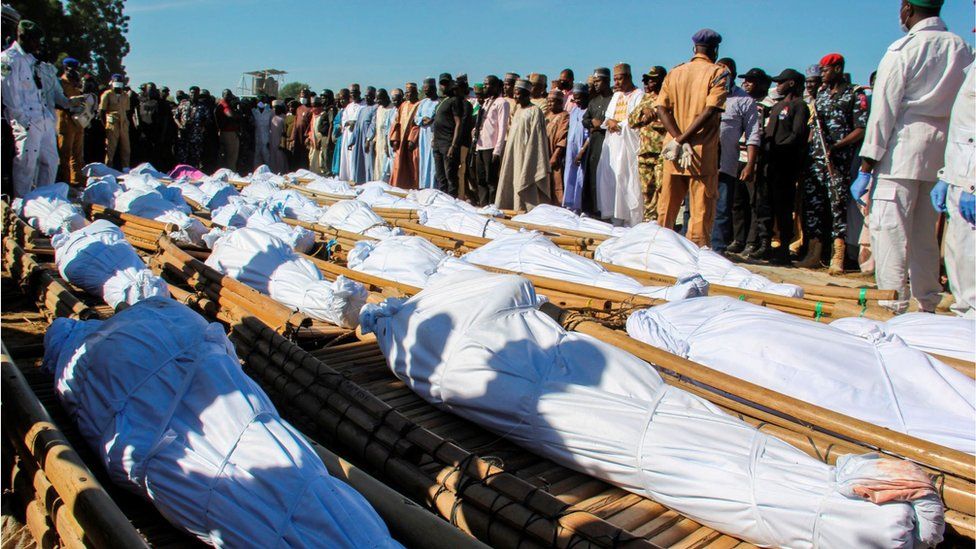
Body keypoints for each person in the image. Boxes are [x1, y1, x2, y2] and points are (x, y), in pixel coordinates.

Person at [852, 0, 973, 313]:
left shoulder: (903, 49)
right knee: (924, 236)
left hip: (901, 153)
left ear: (906, 10)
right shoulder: (962, 48)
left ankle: (892, 305)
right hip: (945, 155)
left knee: (889, 231)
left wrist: (868, 163)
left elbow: (883, 111)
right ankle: (927, 303)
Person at [656, 29, 728, 247]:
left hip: (674, 152)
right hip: (700, 153)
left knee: (666, 209)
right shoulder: (718, 73)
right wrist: (684, 139)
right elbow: (710, 110)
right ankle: (696, 259)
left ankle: (660, 251)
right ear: (715, 50)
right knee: (700, 213)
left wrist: (677, 139)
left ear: (693, 48)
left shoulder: (675, 73)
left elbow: (661, 108)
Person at [796, 53, 868, 272]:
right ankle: (814, 253)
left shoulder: (855, 94)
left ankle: (838, 256)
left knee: (837, 206)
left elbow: (861, 128)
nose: (822, 74)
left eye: (825, 70)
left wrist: (838, 146)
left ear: (837, 68)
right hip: (816, 158)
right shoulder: (821, 94)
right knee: (813, 206)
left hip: (839, 160)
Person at [931, 64, 974, 317]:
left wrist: (973, 184)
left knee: (971, 265)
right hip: (960, 175)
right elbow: (962, 130)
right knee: (958, 258)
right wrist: (947, 176)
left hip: (970, 179)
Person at [756, 69, 810, 264]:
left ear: (792, 83)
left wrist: (779, 148)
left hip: (786, 164)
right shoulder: (777, 106)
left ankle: (784, 248)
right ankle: (764, 245)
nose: (778, 85)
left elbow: (797, 134)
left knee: (783, 208)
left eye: (782, 82)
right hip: (769, 163)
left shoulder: (800, 106)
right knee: (765, 205)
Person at [1, 20, 57, 196]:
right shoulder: (9, 58)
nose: (38, 45)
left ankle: (44, 200)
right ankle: (22, 203)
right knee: (26, 164)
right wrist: (24, 122)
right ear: (22, 37)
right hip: (27, 120)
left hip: (43, 117)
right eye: (34, 40)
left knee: (51, 161)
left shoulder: (32, 61)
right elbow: (10, 95)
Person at [712, 58, 760, 253]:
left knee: (722, 209)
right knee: (695, 208)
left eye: (725, 73)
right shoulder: (705, 94)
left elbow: (753, 135)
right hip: (701, 163)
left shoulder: (745, 100)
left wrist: (750, 164)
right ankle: (694, 247)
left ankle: (716, 250)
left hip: (727, 164)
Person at [596, 63, 644, 226]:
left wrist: (619, 124)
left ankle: (630, 219)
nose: (616, 83)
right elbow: (608, 116)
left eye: (619, 79)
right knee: (611, 177)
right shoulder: (616, 96)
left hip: (628, 144)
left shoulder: (639, 94)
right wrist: (610, 121)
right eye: (615, 79)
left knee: (627, 177)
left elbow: (636, 119)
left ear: (629, 77)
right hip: (613, 142)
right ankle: (614, 216)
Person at [495, 79, 549, 211]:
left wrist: (529, 160)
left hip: (525, 157)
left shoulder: (535, 111)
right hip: (513, 155)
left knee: (523, 181)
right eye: (514, 93)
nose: (515, 96)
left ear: (526, 94)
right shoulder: (518, 110)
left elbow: (537, 140)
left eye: (518, 93)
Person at [628, 66, 667, 222]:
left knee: (661, 187)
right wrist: (643, 111)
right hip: (645, 151)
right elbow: (631, 121)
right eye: (647, 79)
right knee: (646, 189)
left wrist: (656, 117)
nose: (649, 83)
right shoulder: (646, 99)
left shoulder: (669, 98)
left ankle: (662, 221)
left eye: (653, 79)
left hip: (662, 152)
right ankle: (649, 220)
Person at [474, 75, 510, 206]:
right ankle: (483, 206)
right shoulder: (486, 102)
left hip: (491, 147)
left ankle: (492, 206)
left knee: (491, 181)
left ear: (495, 87)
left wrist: (498, 150)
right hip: (480, 145)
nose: (484, 87)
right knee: (481, 179)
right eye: (484, 84)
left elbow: (502, 127)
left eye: (487, 84)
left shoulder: (502, 102)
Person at [581, 68, 613, 216]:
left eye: (598, 81)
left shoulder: (614, 99)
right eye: (594, 82)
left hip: (608, 143)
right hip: (594, 143)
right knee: (592, 175)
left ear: (607, 81)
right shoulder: (593, 101)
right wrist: (592, 123)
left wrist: (602, 124)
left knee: (605, 177)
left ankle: (605, 211)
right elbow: (585, 119)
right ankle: (591, 209)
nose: (595, 85)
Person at [430, 74, 463, 195]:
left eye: (445, 83)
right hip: (438, 143)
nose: (443, 86)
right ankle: (443, 205)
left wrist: (453, 145)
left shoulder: (455, 101)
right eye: (441, 84)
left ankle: (452, 204)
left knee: (450, 177)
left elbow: (458, 123)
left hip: (447, 143)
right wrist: (434, 139)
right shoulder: (441, 102)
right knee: (440, 177)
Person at [57, 58, 86, 185]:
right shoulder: (60, 83)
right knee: (65, 154)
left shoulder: (77, 83)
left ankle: (77, 179)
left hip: (78, 123)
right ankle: (65, 181)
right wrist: (70, 105)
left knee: (77, 154)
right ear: (65, 68)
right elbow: (57, 102)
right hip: (66, 122)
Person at [563, 82, 590, 212]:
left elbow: (590, 134)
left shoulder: (589, 111)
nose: (577, 101)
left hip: (583, 147)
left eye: (579, 98)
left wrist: (582, 151)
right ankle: (569, 204)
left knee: (581, 176)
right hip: (571, 147)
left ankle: (579, 206)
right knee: (569, 174)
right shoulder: (574, 110)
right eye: (575, 98)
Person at [389, 83, 420, 188]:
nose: (407, 95)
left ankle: (413, 186)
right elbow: (396, 122)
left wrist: (412, 139)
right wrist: (395, 139)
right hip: (401, 140)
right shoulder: (403, 105)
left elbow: (418, 124)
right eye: (406, 92)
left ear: (416, 93)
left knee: (413, 164)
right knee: (399, 164)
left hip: (413, 142)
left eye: (409, 92)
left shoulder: (419, 105)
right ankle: (399, 186)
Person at [100, 74, 131, 169]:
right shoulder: (107, 94)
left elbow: (127, 110)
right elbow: (102, 111)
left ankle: (126, 167)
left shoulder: (125, 95)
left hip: (123, 123)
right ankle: (108, 167)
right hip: (112, 123)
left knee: (126, 147)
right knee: (110, 148)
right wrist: (104, 124)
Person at [414, 78, 440, 189]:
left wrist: (432, 120)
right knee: (424, 161)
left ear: (434, 88)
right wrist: (422, 119)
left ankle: (433, 187)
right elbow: (416, 118)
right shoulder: (423, 103)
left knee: (433, 162)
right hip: (423, 135)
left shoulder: (439, 102)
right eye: (424, 89)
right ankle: (423, 185)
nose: (425, 91)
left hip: (434, 135)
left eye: (427, 89)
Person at [545, 89, 569, 204]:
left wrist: (555, 155)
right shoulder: (547, 116)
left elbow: (563, 137)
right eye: (548, 101)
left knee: (557, 182)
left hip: (556, 155)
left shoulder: (565, 116)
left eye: (553, 101)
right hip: (545, 153)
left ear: (560, 102)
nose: (550, 104)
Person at [175, 86, 209, 168]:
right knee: (183, 157)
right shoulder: (183, 104)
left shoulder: (203, 106)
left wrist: (201, 128)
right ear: (189, 93)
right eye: (192, 93)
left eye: (195, 93)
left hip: (196, 135)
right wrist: (180, 126)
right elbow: (176, 117)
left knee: (195, 157)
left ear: (198, 94)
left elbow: (207, 119)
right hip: (183, 134)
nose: (193, 95)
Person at [350, 86, 378, 183]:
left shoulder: (376, 108)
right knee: (359, 162)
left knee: (369, 163)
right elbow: (357, 126)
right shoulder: (362, 109)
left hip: (368, 140)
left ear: (374, 96)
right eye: (366, 96)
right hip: (359, 139)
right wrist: (352, 141)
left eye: (369, 96)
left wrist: (368, 139)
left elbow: (373, 125)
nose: (367, 98)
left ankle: (369, 183)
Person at [454, 74, 475, 200]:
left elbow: (465, 124)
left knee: (464, 170)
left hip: (465, 141)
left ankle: (464, 196)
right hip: (456, 142)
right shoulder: (456, 101)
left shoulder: (470, 101)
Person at [215, 89, 240, 170]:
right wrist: (237, 110)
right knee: (232, 156)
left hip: (225, 132)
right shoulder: (224, 105)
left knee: (226, 156)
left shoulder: (220, 103)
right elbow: (230, 115)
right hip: (229, 133)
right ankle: (231, 173)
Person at [374, 89, 395, 181]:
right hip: (379, 140)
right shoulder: (379, 109)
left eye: (379, 99)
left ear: (385, 97)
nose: (377, 101)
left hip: (388, 141)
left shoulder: (393, 108)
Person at [290, 88, 313, 170]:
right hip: (297, 138)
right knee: (296, 157)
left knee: (305, 158)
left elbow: (312, 125)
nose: (302, 97)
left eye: (305, 95)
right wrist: (292, 139)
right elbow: (295, 124)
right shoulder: (299, 108)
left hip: (306, 138)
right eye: (301, 95)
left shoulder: (312, 109)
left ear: (309, 96)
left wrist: (308, 137)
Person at [306, 96, 327, 174]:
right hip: (313, 143)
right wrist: (309, 137)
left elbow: (324, 129)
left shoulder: (323, 115)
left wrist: (320, 140)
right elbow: (311, 129)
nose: (313, 108)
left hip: (321, 143)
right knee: (312, 161)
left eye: (315, 106)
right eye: (312, 106)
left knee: (320, 162)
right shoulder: (313, 116)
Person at [331, 90, 348, 176]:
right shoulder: (341, 111)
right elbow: (336, 122)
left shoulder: (352, 109)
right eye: (340, 99)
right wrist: (339, 126)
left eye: (343, 99)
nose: (341, 101)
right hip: (341, 138)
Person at [268, 100, 289, 174]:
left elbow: (285, 132)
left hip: (280, 142)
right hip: (272, 140)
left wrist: (282, 143)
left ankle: (282, 173)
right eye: (274, 108)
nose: (275, 109)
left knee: (280, 158)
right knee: (272, 158)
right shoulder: (271, 116)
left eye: (277, 108)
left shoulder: (284, 117)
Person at [252, 98, 273, 169]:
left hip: (266, 138)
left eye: (262, 101)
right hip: (257, 138)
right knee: (257, 158)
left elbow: (271, 126)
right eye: (259, 101)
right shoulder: (254, 111)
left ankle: (269, 173)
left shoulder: (270, 112)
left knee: (267, 157)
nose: (260, 102)